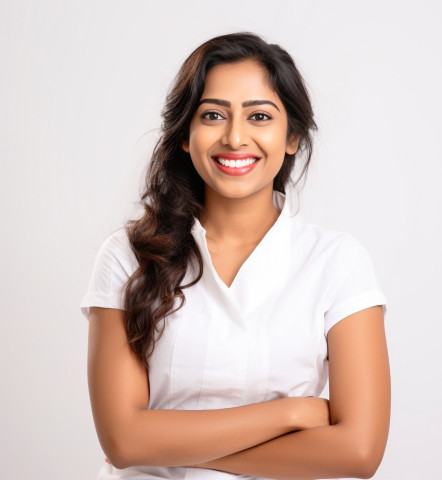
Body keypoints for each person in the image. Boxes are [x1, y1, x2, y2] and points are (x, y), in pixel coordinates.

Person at [81, 32, 390, 480]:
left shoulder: (338, 262)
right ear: (185, 136)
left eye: (259, 116)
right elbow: (124, 440)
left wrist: (164, 446)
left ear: (292, 137)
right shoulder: (129, 257)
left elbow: (358, 453)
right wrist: (292, 413)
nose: (235, 137)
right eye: (212, 115)